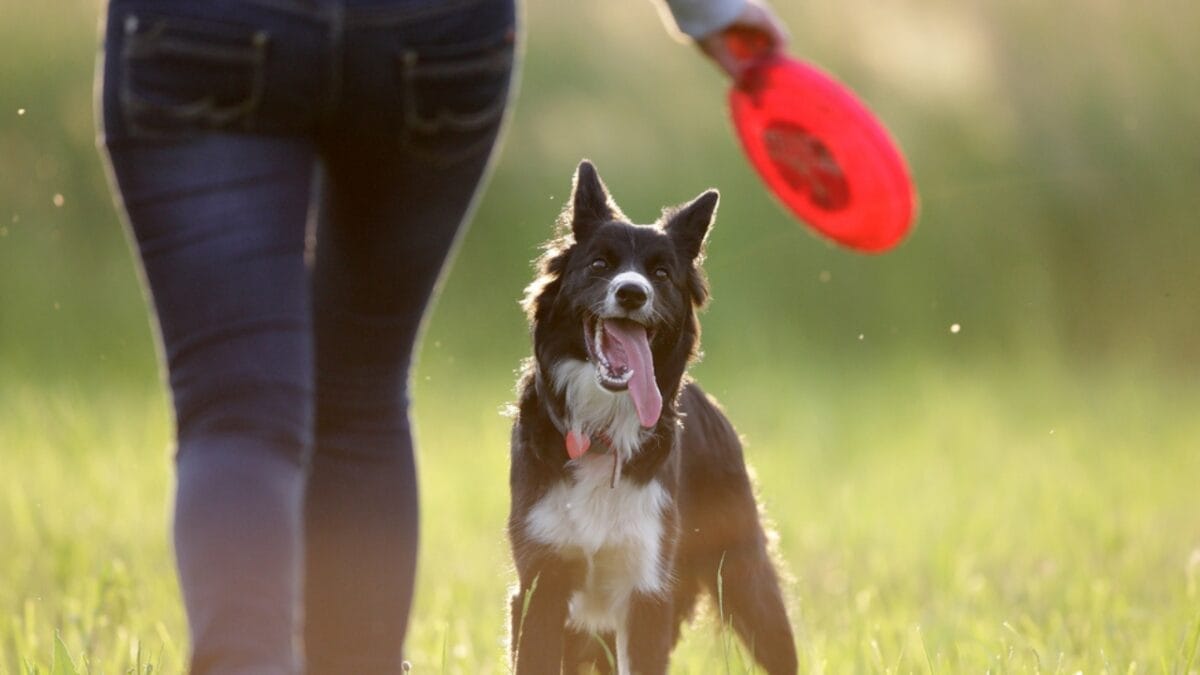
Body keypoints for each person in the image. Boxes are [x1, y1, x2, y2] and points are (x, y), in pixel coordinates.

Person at [96, 0, 787, 672]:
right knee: (359, 399)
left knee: (237, 412)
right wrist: (710, 10)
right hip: (432, 31)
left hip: (203, 24)